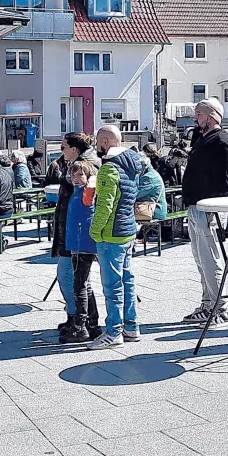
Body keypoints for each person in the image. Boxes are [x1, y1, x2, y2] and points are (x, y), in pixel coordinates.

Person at [181, 98, 228, 325]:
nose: (195, 118)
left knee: (210, 259)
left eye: (199, 114)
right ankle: (208, 304)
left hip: (208, 207)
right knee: (200, 258)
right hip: (196, 205)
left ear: (212, 116)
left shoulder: (222, 141)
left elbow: (225, 179)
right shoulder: (203, 138)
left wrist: (214, 208)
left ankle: (220, 308)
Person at [89, 124, 147, 349]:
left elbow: (105, 205)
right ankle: (131, 327)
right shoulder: (133, 165)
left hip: (111, 234)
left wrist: (95, 232)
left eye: (97, 142)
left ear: (105, 142)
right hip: (127, 230)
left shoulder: (109, 169)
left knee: (112, 285)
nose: (96, 146)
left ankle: (113, 331)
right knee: (127, 280)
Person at [50, 133, 100, 338]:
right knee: (75, 279)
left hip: (78, 236)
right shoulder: (78, 167)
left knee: (74, 279)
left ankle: (82, 322)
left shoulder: (84, 168)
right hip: (71, 233)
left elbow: (88, 205)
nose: (61, 152)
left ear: (74, 149)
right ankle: (81, 319)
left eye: (63, 147)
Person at [61, 159, 103, 344]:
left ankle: (80, 326)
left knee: (79, 286)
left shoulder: (86, 193)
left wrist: (91, 180)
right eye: (73, 175)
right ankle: (93, 324)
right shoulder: (76, 192)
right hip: (79, 243)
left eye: (80, 175)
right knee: (85, 285)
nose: (76, 179)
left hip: (82, 244)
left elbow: (92, 189)